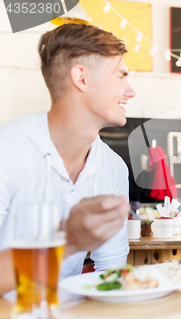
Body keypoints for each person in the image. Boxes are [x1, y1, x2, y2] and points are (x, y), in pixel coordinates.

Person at [0, 23, 135, 294]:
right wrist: (68, 241)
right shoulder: (8, 149)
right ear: (81, 78)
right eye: (120, 76)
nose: (130, 91)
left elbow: (110, 269)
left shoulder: (112, 168)